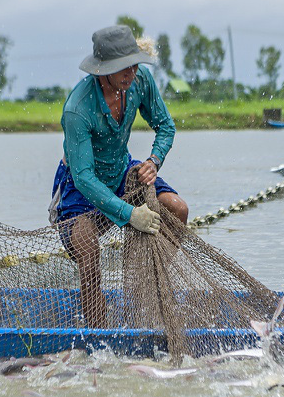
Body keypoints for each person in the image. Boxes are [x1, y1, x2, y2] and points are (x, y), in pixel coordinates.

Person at [50, 25, 189, 328]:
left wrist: (154, 160)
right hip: (78, 187)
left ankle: (142, 294)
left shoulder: (139, 81)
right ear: (103, 71)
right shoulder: (78, 108)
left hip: (123, 170)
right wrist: (129, 214)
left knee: (178, 210)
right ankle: (98, 334)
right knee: (86, 247)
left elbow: (166, 126)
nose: (131, 72)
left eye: (135, 64)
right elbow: (85, 178)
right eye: (123, 68)